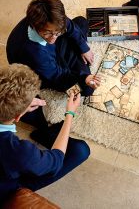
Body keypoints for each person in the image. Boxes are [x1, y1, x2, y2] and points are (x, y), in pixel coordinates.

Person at [0, 64, 90, 204]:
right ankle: (45, 133)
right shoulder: (20, 152)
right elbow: (56, 161)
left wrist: (20, 107)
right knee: (81, 150)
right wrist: (70, 113)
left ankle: (43, 134)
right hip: (5, 189)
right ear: (18, 117)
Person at [6, 0, 100, 96]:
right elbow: (58, 76)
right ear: (35, 25)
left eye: (58, 32)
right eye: (48, 33)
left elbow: (68, 25)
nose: (53, 38)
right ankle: (78, 66)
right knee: (87, 89)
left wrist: (84, 48)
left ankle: (76, 61)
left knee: (81, 22)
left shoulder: (52, 18)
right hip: (43, 71)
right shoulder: (35, 53)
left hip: (50, 53)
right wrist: (84, 77)